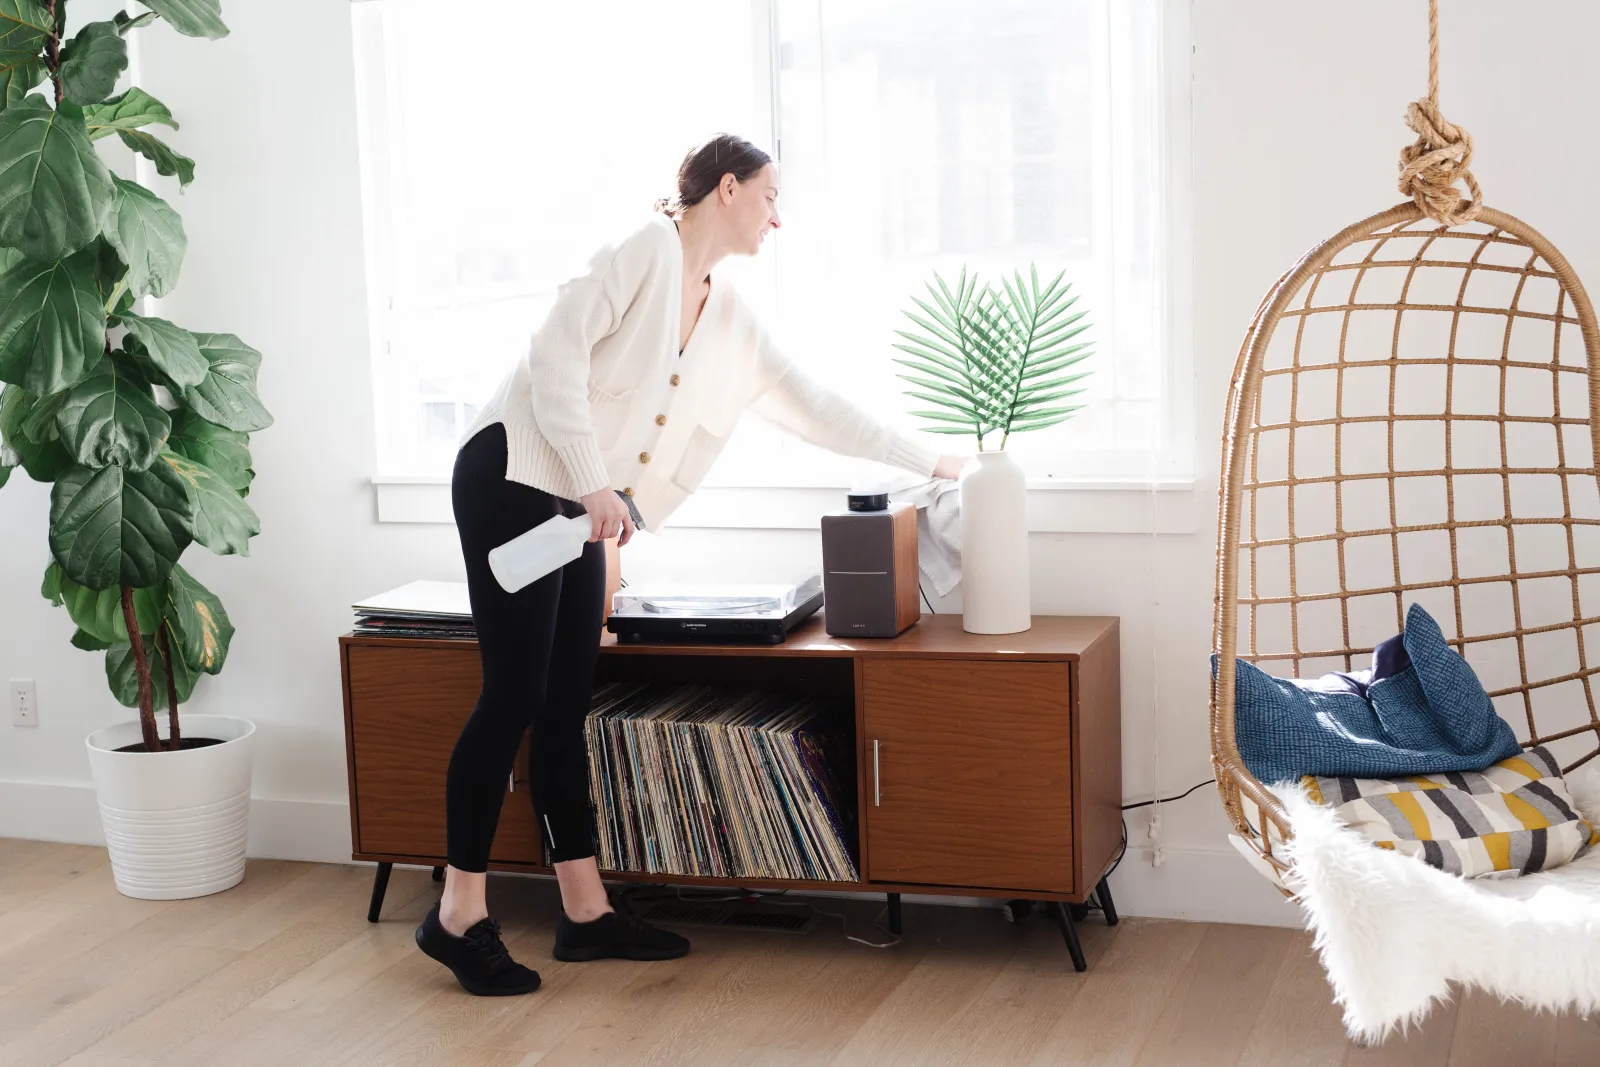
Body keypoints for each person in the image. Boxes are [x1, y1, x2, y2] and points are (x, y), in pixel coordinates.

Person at [414, 134, 966, 996]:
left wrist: (935, 462)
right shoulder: (644, 251)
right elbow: (553, 355)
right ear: (728, 186)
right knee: (512, 696)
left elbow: (814, 407)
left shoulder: (729, 318)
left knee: (564, 707)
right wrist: (598, 486)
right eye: (771, 197)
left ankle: (586, 913)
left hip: (580, 512)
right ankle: (457, 914)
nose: (779, 216)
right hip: (513, 475)